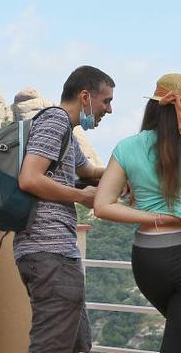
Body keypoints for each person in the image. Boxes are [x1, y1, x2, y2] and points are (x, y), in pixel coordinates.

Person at [15, 65, 114, 353]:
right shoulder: (55, 121)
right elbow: (29, 178)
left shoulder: (66, 133)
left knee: (77, 344)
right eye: (105, 100)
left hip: (57, 254)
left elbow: (90, 171)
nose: (108, 110)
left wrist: (127, 174)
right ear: (85, 96)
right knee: (52, 347)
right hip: (49, 252)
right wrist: (81, 198)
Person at [94, 73, 181, 352]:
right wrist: (168, 217)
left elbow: (102, 205)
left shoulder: (127, 147)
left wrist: (154, 217)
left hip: (146, 259)